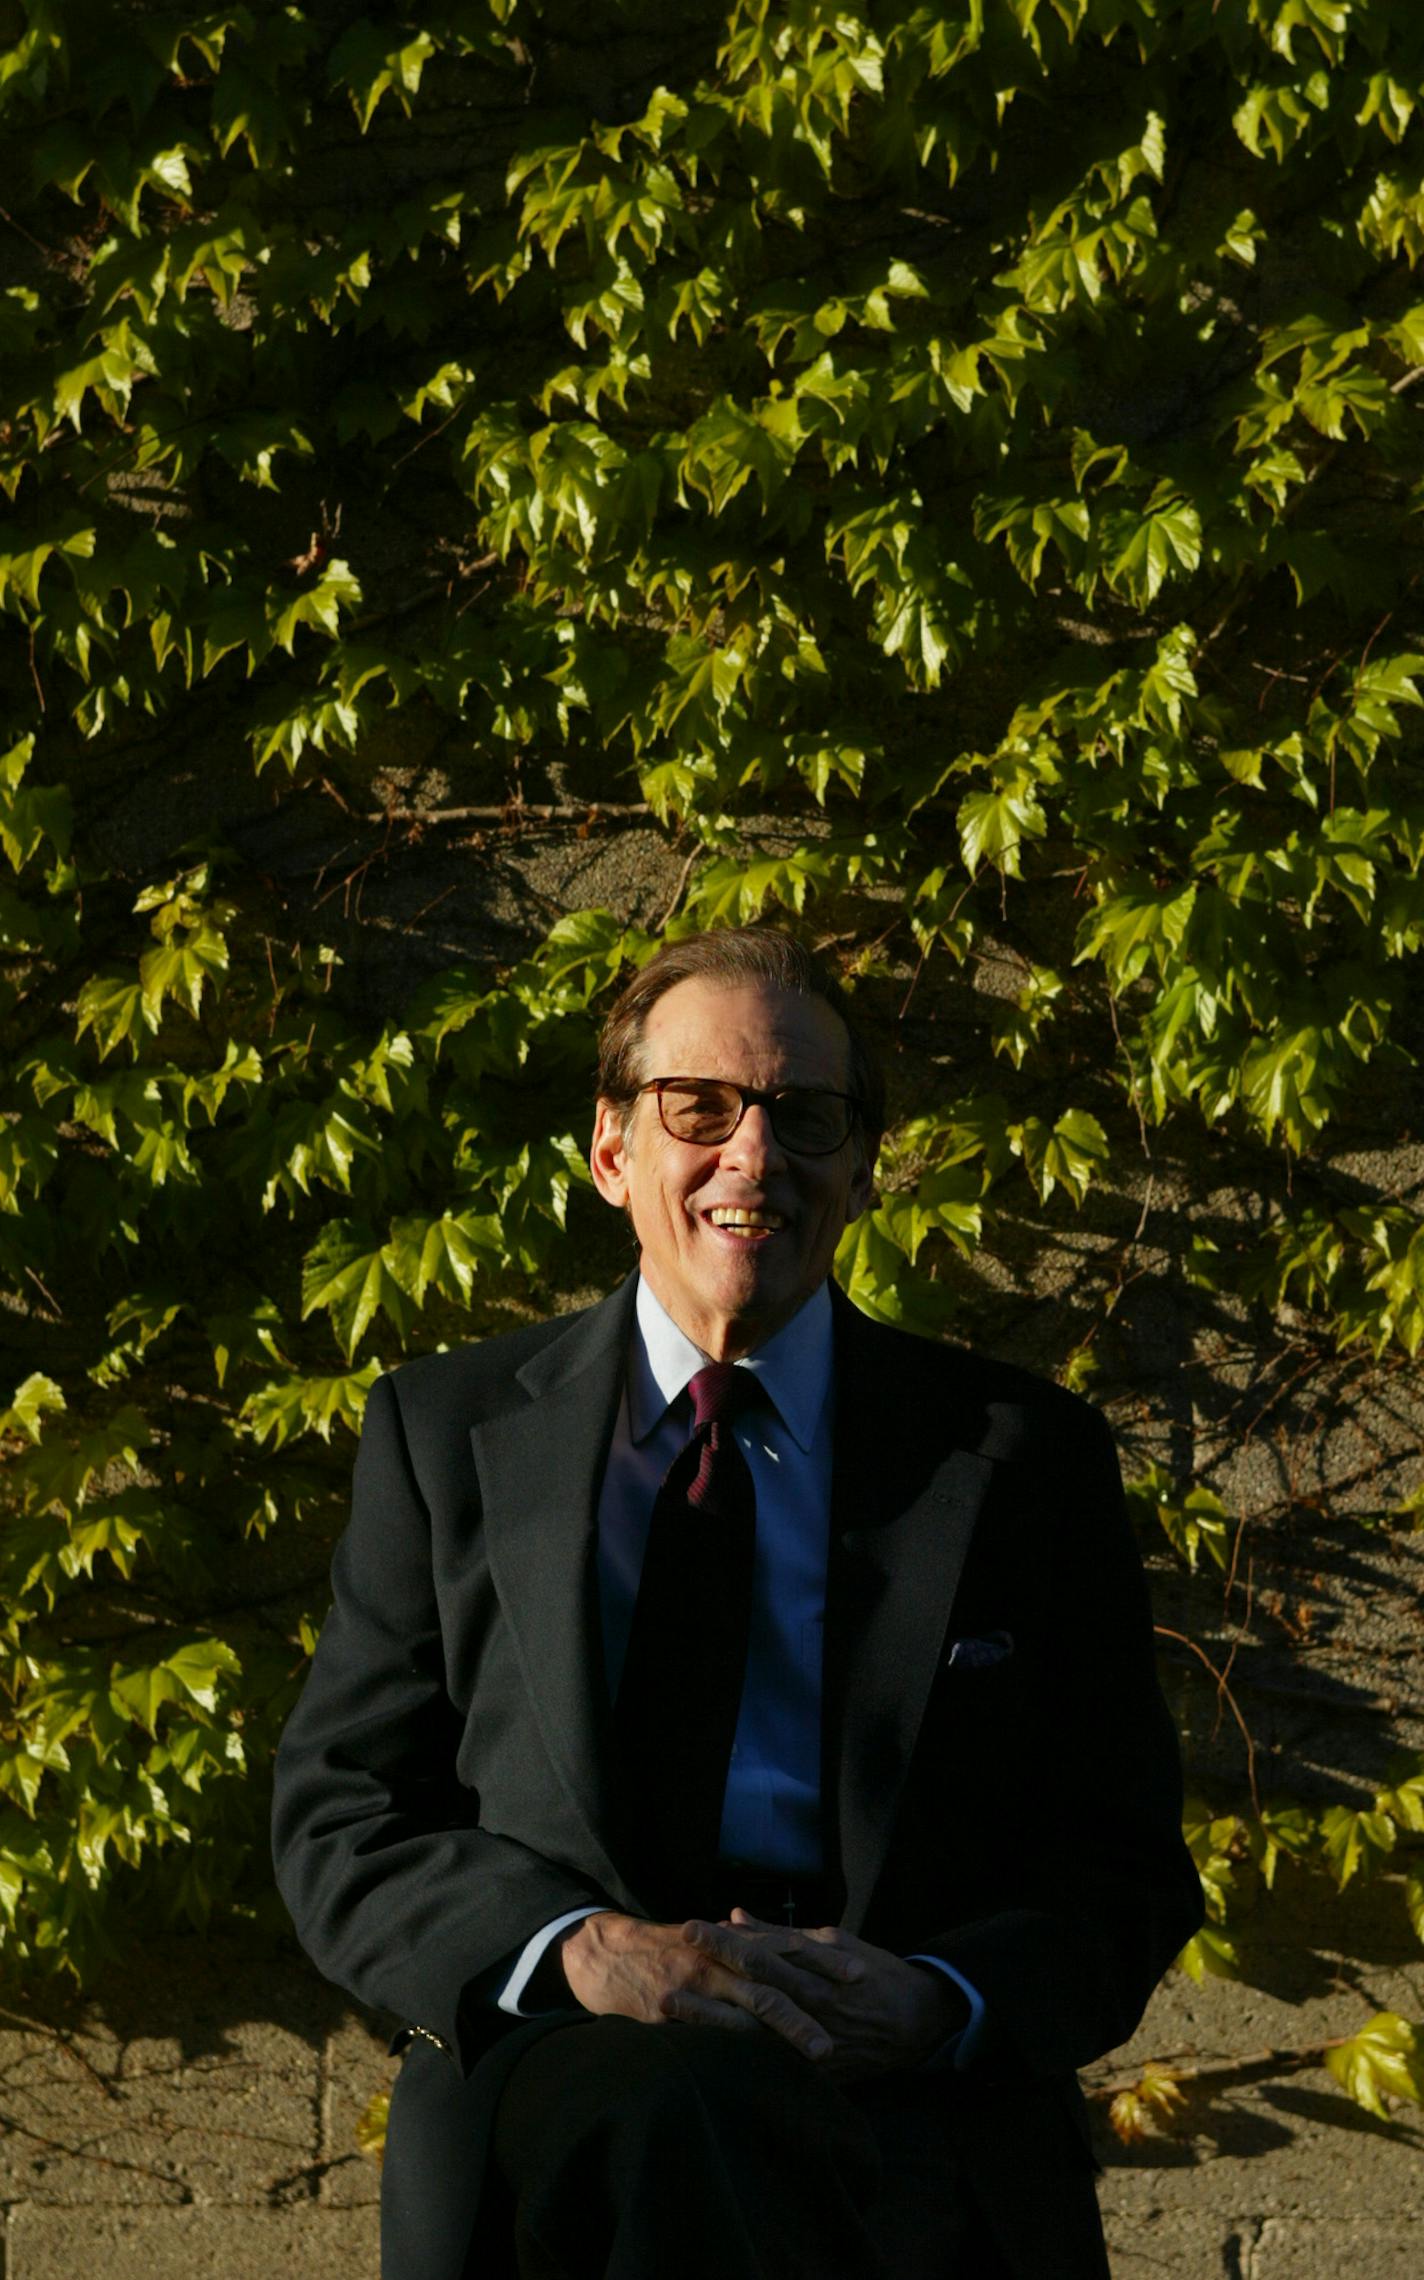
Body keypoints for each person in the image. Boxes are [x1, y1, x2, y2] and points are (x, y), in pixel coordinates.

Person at [272, 926, 1202, 2278]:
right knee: (679, 2118)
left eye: (805, 1118)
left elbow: (1118, 1864)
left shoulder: (1018, 1460)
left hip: (910, 2098)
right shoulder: (444, 1435)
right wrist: (582, 1953)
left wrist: (937, 1998)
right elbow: (344, 1816)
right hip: (572, 2089)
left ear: (864, 1172)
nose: (754, 1157)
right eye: (699, 1109)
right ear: (611, 1153)